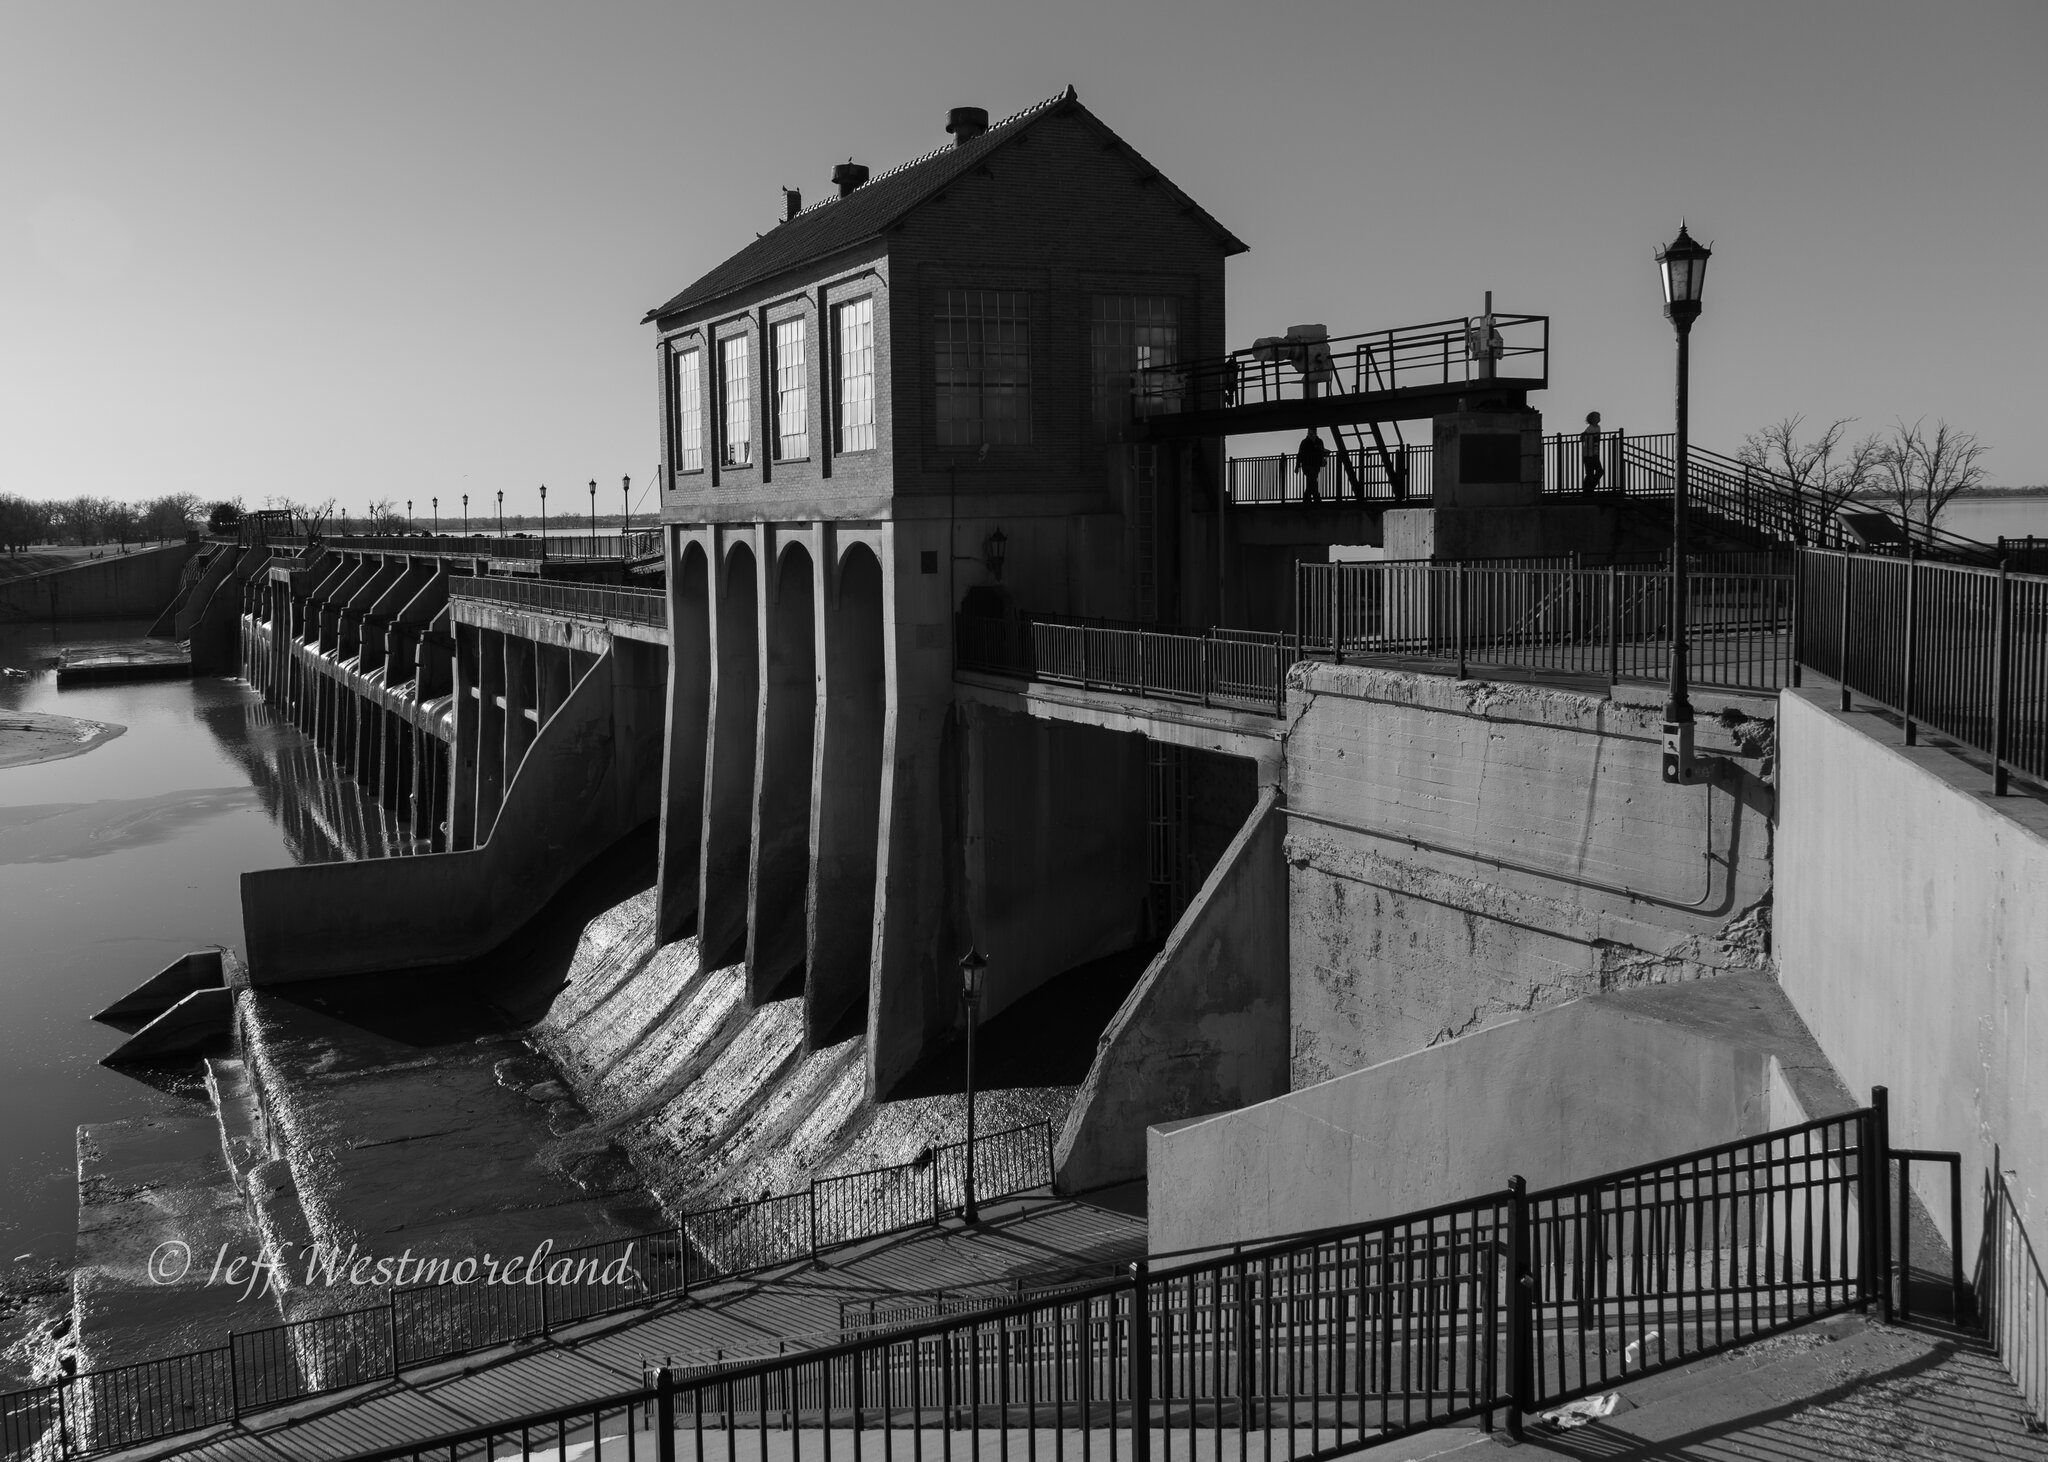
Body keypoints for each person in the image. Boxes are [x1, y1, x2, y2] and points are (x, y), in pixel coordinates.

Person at [1297, 428, 1331, 504]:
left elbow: (1300, 454)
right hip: (1308, 465)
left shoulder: (1307, 442)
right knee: (1312, 480)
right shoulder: (1308, 442)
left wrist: (1297, 466)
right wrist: (1297, 466)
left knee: (1311, 481)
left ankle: (1308, 499)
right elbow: (1300, 454)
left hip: (1314, 465)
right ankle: (1315, 498)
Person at [1581, 411, 1606, 492]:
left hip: (1595, 453)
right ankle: (1587, 490)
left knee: (1600, 471)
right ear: (1591, 419)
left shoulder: (1598, 427)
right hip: (1588, 454)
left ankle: (1589, 488)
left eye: (1599, 416)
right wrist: (1585, 436)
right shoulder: (1590, 428)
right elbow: (1584, 436)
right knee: (1590, 473)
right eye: (1596, 416)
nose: (1598, 418)